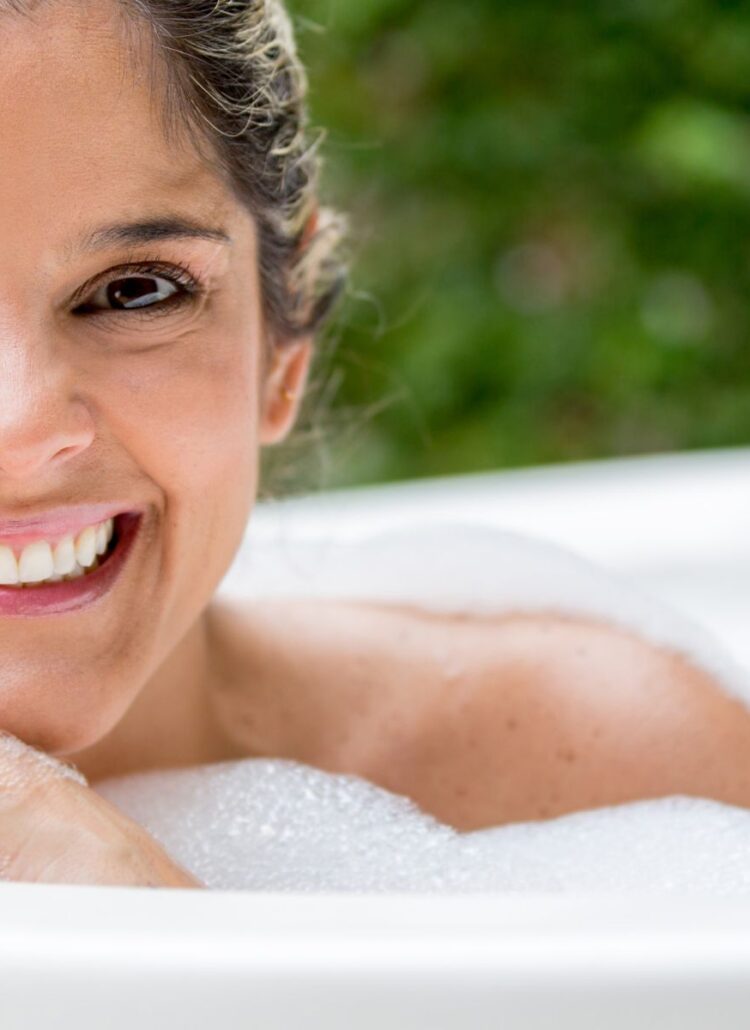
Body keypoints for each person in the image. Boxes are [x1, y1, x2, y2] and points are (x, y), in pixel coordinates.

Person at [1, 0, 750, 889]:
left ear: (283, 344)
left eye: (134, 292)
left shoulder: (620, 779)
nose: (23, 428)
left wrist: (155, 930)